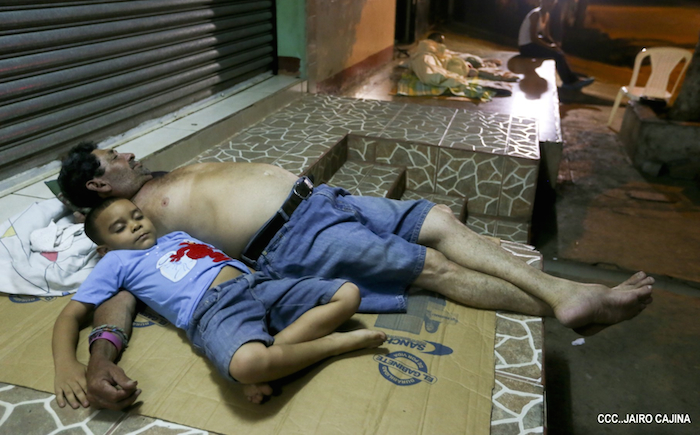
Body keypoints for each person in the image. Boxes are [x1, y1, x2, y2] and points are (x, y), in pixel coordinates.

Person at [57, 142, 654, 409]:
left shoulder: (155, 181)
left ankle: (565, 292)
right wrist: (97, 357)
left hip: (323, 200)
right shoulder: (130, 228)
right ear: (98, 185)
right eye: (114, 158)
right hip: (292, 238)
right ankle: (569, 301)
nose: (128, 154)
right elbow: (121, 290)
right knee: (434, 268)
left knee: (440, 219)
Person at [52, 197, 386, 409]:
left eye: (136, 215)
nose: (135, 225)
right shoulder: (115, 262)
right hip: (212, 310)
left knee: (348, 293)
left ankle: (274, 358)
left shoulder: (175, 236)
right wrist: (66, 364)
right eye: (120, 227)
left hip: (257, 285)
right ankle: (333, 344)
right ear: (105, 249)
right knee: (246, 365)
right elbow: (70, 316)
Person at [517, 0, 594, 89]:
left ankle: (572, 78)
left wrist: (555, 45)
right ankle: (569, 82)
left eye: (552, 1)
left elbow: (546, 35)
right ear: (542, 0)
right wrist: (550, 47)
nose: (550, 3)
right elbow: (533, 38)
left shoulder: (547, 15)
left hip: (532, 44)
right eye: (548, 0)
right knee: (556, 55)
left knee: (559, 52)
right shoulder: (535, 14)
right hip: (526, 47)